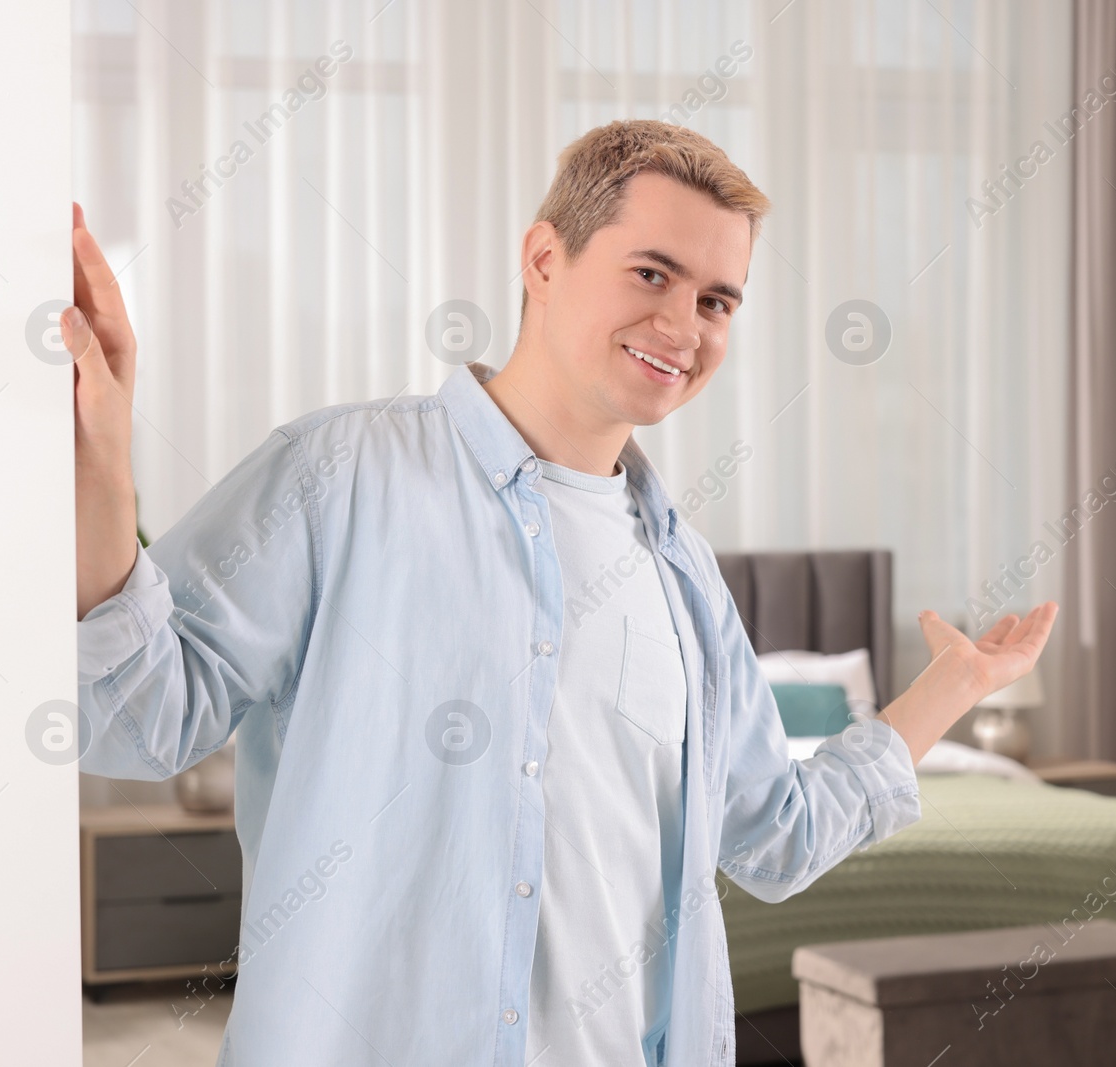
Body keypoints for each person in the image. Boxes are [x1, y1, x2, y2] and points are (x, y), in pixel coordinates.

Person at [71, 118, 1056, 1067]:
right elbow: (131, 716)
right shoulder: (340, 475)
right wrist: (103, 469)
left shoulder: (686, 585)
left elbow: (773, 835)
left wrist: (953, 685)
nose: (683, 325)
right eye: (652, 273)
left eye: (718, 300)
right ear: (543, 259)